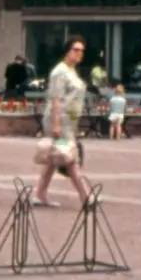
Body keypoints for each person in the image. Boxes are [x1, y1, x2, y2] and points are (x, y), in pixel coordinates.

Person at [32, 35, 92, 208]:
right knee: (70, 157)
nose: (79, 54)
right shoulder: (59, 72)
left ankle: (40, 193)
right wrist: (57, 124)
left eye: (82, 51)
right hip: (59, 119)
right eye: (76, 50)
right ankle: (85, 196)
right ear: (67, 50)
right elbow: (56, 99)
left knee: (54, 157)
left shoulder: (72, 71)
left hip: (69, 120)